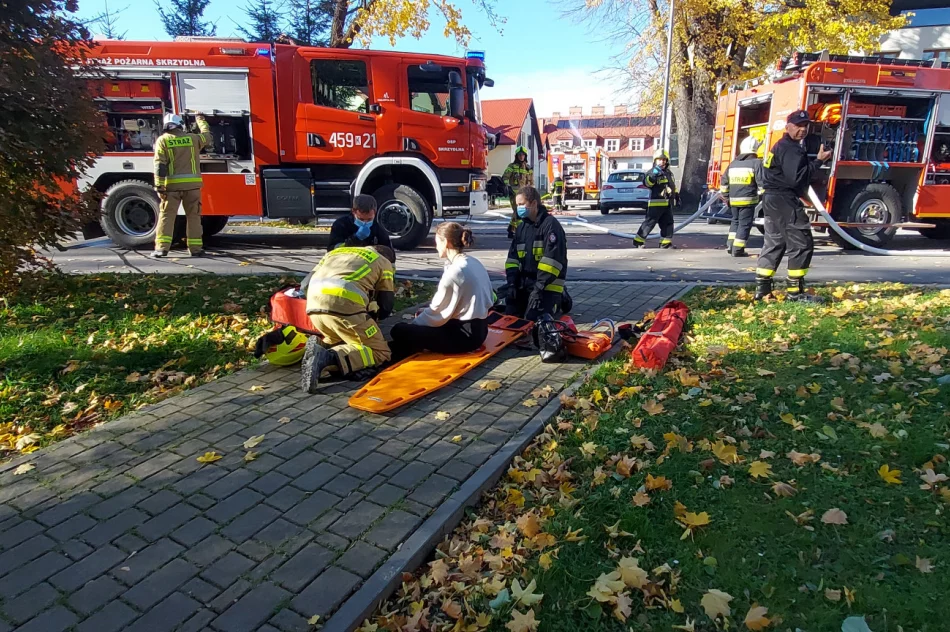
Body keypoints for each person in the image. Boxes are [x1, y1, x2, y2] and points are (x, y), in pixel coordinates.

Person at [755, 110, 832, 301]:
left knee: (775, 242)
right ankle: (795, 293)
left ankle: (762, 290)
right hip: (784, 199)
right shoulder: (791, 149)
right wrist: (819, 162)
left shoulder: (781, 146)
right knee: (802, 242)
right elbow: (796, 179)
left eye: (805, 126)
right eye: (798, 125)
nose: (803, 129)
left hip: (772, 198)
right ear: (787, 126)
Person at [389, 223, 493, 360]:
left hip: (464, 337)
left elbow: (437, 312)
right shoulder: (473, 261)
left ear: (446, 243)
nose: (436, 246)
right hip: (480, 329)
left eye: (437, 242)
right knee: (420, 325)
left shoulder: (455, 271)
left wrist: (415, 325)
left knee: (399, 330)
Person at [300, 245, 396, 393]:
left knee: (342, 340)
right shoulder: (384, 262)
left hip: (314, 307)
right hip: (345, 307)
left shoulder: (335, 253)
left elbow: (304, 285)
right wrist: (371, 315)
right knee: (380, 353)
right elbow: (386, 306)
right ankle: (327, 358)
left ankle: (322, 348)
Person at [504, 186, 568, 323]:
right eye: (517, 205)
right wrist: (511, 284)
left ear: (533, 204)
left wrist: (538, 288)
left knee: (533, 319)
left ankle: (561, 297)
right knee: (509, 315)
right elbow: (512, 259)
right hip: (527, 283)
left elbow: (552, 262)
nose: (518, 208)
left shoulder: (551, 226)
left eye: (521, 204)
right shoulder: (522, 227)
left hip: (548, 284)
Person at [151, 113, 211, 258]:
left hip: (171, 188)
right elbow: (207, 137)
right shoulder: (192, 138)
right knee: (194, 217)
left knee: (167, 216)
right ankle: (196, 249)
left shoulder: (163, 140)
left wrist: (159, 185)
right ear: (180, 125)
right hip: (192, 188)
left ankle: (161, 249)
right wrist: (200, 121)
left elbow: (160, 165)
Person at [720, 136, 765, 257]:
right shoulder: (756, 163)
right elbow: (762, 182)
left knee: (735, 222)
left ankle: (730, 245)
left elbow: (724, 182)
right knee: (744, 224)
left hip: (733, 201)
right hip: (748, 201)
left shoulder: (733, 164)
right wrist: (766, 195)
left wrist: (726, 197)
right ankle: (738, 250)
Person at [633, 149, 677, 249]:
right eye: (659, 160)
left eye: (664, 160)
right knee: (649, 224)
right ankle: (638, 241)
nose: (662, 162)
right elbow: (647, 183)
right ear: (655, 161)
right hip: (655, 203)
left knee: (668, 224)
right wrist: (653, 175)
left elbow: (672, 185)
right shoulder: (651, 172)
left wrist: (677, 195)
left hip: (667, 204)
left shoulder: (668, 173)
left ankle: (665, 243)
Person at [328, 194, 393, 253]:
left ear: (375, 213)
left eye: (369, 219)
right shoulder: (341, 225)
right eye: (361, 219)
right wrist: (355, 239)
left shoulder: (378, 228)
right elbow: (332, 250)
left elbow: (390, 254)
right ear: (353, 211)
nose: (365, 222)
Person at [503, 146, 534, 238]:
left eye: (523, 155)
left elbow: (531, 182)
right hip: (514, 194)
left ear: (525, 156)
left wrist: (532, 192)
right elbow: (505, 177)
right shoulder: (511, 167)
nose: (521, 157)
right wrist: (508, 187)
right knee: (517, 211)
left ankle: (511, 229)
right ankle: (519, 231)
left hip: (524, 194)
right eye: (519, 155)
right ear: (516, 156)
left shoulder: (528, 168)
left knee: (519, 212)